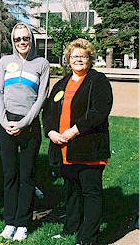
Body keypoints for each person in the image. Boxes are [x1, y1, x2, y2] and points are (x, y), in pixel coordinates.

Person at [43, 38, 113, 245]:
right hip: (64, 147)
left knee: (90, 192)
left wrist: (75, 130)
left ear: (90, 58)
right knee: (71, 190)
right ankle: (71, 228)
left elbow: (99, 111)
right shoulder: (62, 83)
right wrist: (51, 132)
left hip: (88, 147)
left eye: (83, 56)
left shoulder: (98, 80)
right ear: (68, 59)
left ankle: (88, 237)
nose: (78, 60)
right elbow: (48, 112)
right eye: (74, 57)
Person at [0, 22, 50, 241]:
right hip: (7, 123)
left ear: (31, 39)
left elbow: (42, 97)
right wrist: (4, 120)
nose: (22, 43)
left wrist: (25, 123)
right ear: (13, 41)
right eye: (17, 39)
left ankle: (22, 223)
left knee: (26, 176)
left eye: (25, 38)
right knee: (10, 175)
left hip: (29, 126)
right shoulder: (5, 62)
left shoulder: (41, 64)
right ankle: (10, 221)